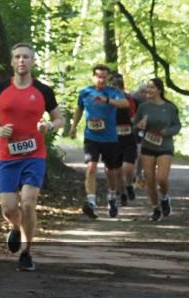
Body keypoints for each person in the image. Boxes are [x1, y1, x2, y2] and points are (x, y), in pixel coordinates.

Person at [0, 43, 63, 271]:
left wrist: (49, 125)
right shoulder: (0, 89)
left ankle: (27, 252)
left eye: (26, 57)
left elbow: (59, 119)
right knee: (9, 208)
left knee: (28, 203)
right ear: (11, 62)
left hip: (34, 155)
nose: (22, 61)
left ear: (33, 62)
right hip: (8, 157)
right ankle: (15, 226)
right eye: (18, 57)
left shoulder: (43, 90)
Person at [69, 64, 129, 219]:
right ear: (93, 76)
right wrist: (74, 126)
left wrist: (108, 100)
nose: (101, 79)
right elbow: (79, 109)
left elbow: (125, 104)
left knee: (111, 172)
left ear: (108, 77)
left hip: (110, 138)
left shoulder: (113, 92)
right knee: (91, 168)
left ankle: (111, 197)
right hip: (91, 137)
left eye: (104, 76)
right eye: (98, 76)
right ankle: (91, 202)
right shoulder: (85, 93)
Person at [132, 77, 181, 221]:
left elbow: (177, 126)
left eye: (152, 87)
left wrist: (168, 131)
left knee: (161, 178)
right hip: (148, 146)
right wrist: (139, 126)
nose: (149, 90)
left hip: (165, 146)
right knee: (150, 180)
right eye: (147, 87)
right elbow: (134, 127)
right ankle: (155, 208)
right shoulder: (143, 107)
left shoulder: (170, 107)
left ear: (159, 90)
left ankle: (165, 198)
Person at [110, 73, 138, 205]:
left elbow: (133, 117)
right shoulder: (106, 100)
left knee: (127, 167)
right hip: (112, 139)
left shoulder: (129, 99)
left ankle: (128, 185)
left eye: (117, 86)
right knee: (116, 172)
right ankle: (122, 195)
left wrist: (138, 123)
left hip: (128, 137)